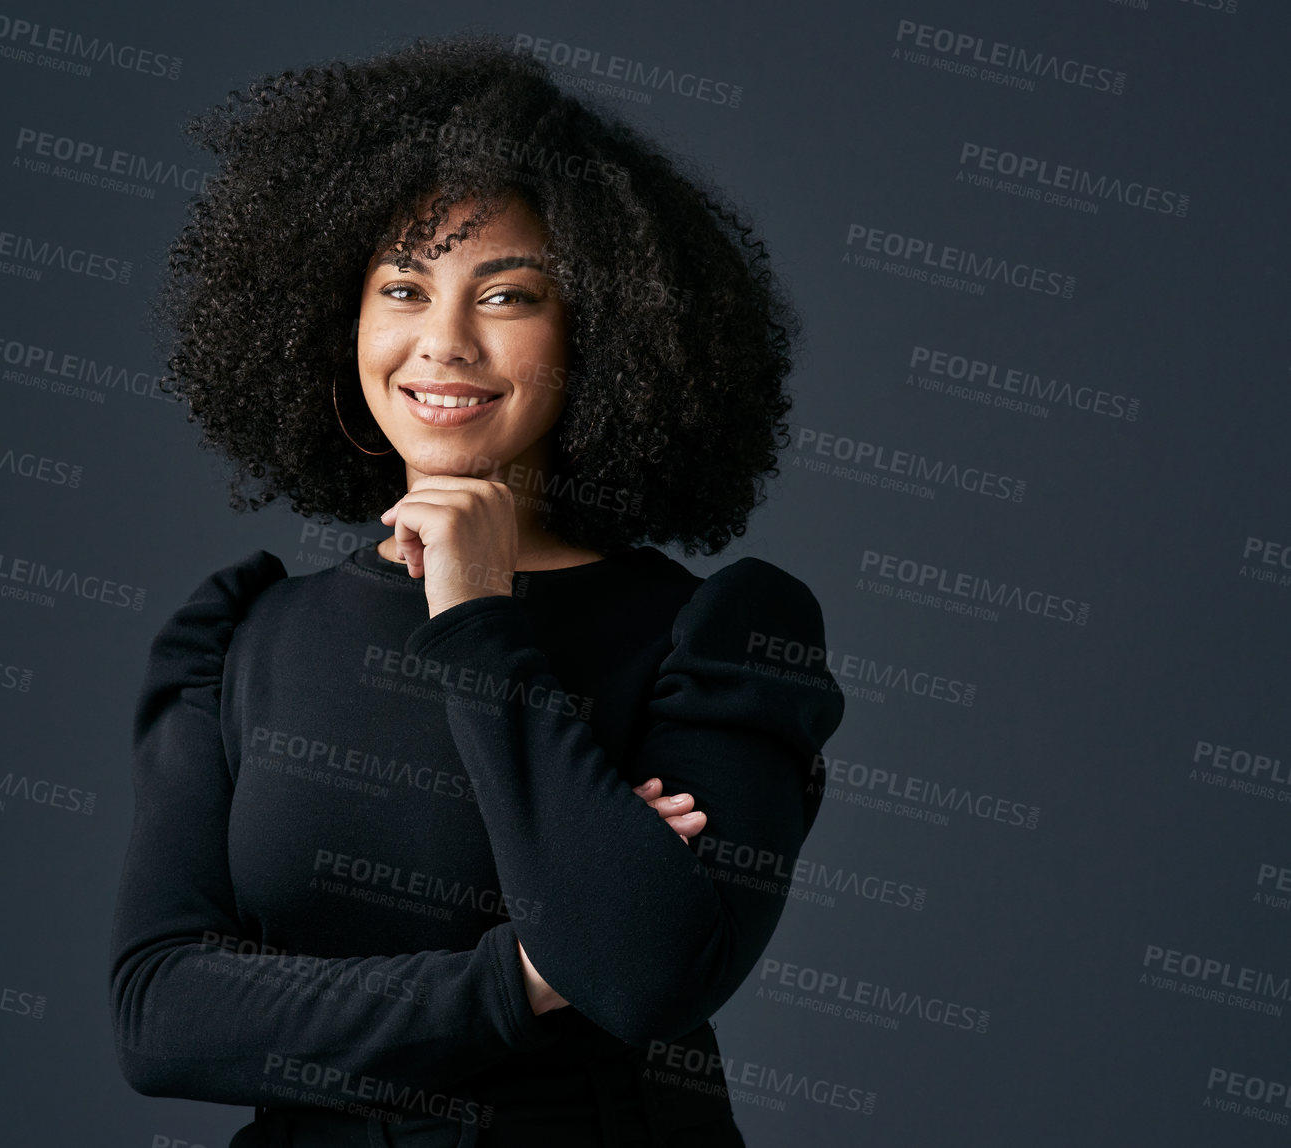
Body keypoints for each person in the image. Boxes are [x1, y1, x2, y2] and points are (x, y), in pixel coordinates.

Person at [108, 32, 847, 1148]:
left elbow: (646, 975)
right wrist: (529, 973)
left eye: (507, 295)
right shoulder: (241, 638)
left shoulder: (727, 635)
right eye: (403, 286)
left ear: (600, 335)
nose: (442, 341)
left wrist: (476, 615)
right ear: (339, 320)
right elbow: (161, 1020)